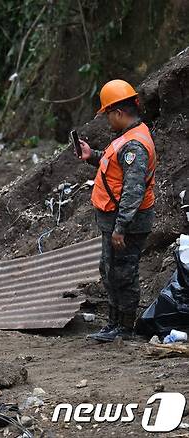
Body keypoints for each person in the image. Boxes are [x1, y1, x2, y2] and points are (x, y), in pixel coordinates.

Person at [78, 79, 157, 342]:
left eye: (108, 115)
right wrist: (92, 156)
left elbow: (133, 191)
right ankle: (113, 324)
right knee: (109, 269)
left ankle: (124, 327)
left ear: (119, 113)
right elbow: (115, 166)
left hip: (126, 223)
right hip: (114, 220)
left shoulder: (134, 145)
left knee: (124, 272)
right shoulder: (127, 138)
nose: (107, 121)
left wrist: (121, 228)